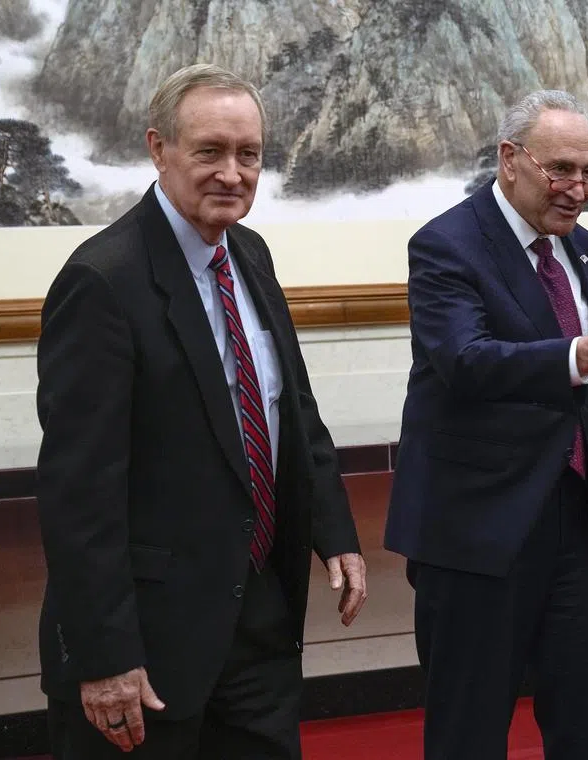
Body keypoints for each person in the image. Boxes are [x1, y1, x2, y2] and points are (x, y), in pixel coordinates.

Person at [34, 63, 367, 759]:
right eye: (210, 151)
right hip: (148, 644)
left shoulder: (250, 253)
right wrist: (105, 656)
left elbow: (290, 409)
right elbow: (79, 494)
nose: (232, 174)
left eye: (249, 154)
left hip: (260, 619)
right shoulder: (102, 281)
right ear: (159, 149)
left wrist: (334, 531)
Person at [384, 90, 588, 760]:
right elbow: (465, 361)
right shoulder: (445, 245)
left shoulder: (582, 248)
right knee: (469, 730)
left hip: (579, 516)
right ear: (510, 158)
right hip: (477, 526)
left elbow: (577, 387)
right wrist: (581, 356)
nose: (577, 189)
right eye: (561, 170)